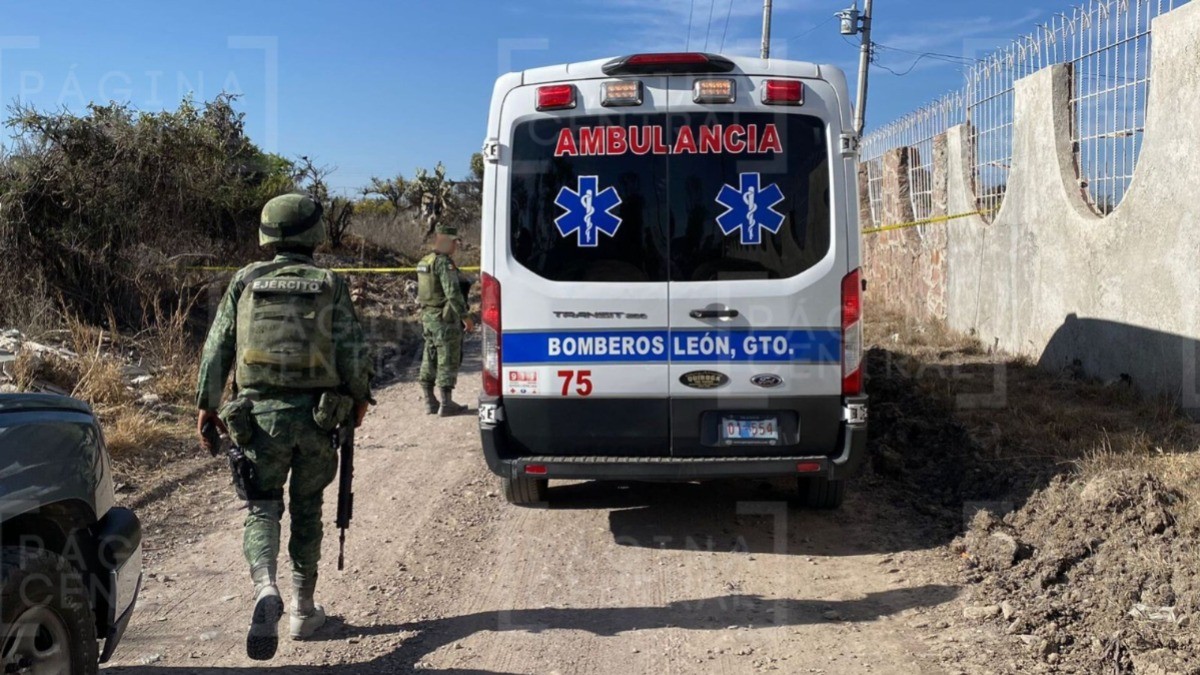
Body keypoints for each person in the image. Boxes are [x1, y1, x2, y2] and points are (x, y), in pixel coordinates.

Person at [195, 193, 373, 661]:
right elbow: (352, 349)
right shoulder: (330, 282)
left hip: (256, 421)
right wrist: (359, 399)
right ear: (314, 233)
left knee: (262, 508)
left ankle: (264, 587)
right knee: (308, 508)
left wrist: (206, 405)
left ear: (267, 233)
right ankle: (302, 610)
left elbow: (218, 346)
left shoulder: (244, 280)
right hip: (318, 419)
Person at [417, 224, 474, 416]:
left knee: (430, 355)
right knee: (447, 357)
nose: (456, 246)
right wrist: (466, 317)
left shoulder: (425, 261)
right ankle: (446, 403)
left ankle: (429, 401)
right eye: (454, 242)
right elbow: (452, 293)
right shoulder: (443, 263)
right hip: (445, 318)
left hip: (428, 317)